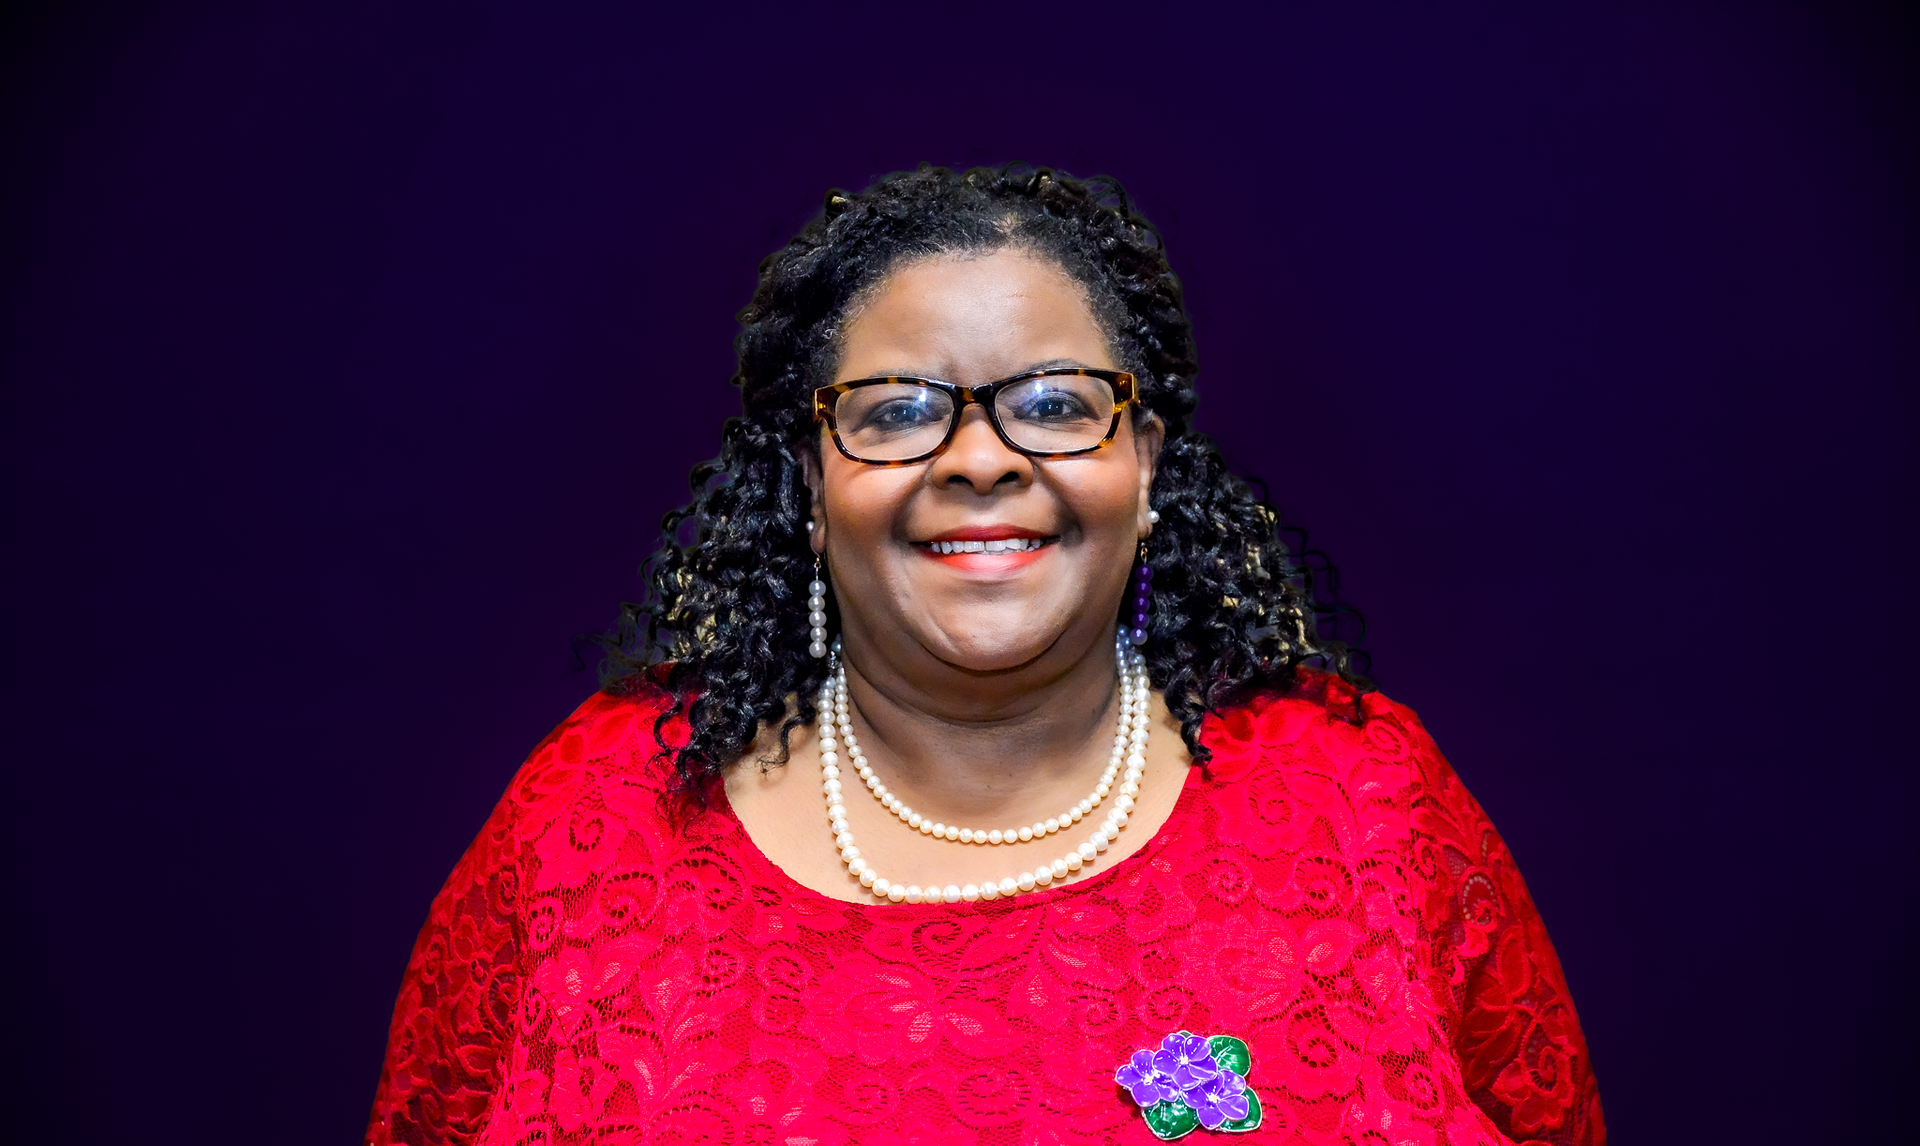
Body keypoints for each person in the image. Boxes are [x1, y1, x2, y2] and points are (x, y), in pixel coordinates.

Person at [366, 164, 1603, 1145]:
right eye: (898, 410)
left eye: (1058, 402)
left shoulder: (1364, 803)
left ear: (1148, 461)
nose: (981, 459)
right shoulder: (593, 822)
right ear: (810, 479)